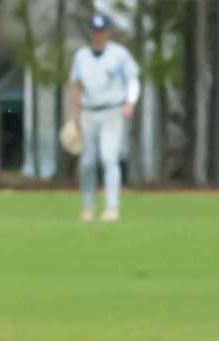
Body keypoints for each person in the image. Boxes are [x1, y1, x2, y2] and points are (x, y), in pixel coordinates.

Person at [67, 12, 141, 223]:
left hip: (112, 111)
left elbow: (133, 79)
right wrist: (74, 117)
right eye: (95, 31)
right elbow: (75, 87)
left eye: (102, 31)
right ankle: (88, 207)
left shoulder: (119, 54)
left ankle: (112, 207)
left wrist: (130, 102)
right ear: (91, 33)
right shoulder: (82, 56)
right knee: (88, 162)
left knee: (109, 159)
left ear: (108, 32)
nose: (99, 35)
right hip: (89, 111)